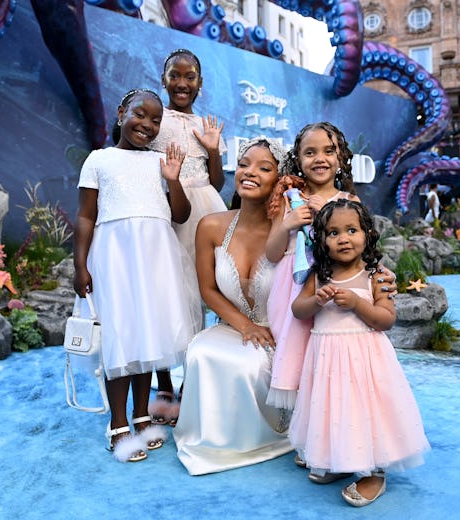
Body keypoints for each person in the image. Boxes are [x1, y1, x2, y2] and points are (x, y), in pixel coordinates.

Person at [73, 89, 198, 462]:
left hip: (155, 256)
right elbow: (85, 216)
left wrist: (173, 179)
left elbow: (180, 215)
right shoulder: (99, 159)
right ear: (121, 113)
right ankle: (118, 423)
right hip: (115, 256)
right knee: (120, 334)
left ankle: (143, 416)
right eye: (139, 115)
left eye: (155, 120)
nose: (147, 125)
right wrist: (80, 264)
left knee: (147, 336)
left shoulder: (160, 162)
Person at [290, 199, 430, 507]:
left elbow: (386, 319)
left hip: (365, 362)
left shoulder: (376, 274)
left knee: (366, 414)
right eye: (333, 232)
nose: (343, 238)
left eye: (351, 230)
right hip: (327, 360)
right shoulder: (319, 274)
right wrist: (317, 301)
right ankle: (339, 461)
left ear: (367, 233)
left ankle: (374, 473)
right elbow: (298, 310)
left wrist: (356, 304)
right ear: (322, 240)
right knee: (333, 412)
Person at [173, 137, 293, 475]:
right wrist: (245, 326)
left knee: (251, 365)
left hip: (282, 332)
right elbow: (208, 289)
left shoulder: (292, 230)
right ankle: (208, 440)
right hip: (232, 325)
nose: (249, 172)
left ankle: (263, 436)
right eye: (243, 164)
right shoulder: (211, 225)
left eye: (264, 167)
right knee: (200, 352)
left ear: (279, 179)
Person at [147, 49, 228, 425]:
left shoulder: (206, 125)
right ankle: (163, 378)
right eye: (175, 75)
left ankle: (194, 378)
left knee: (204, 290)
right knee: (165, 292)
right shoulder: (152, 122)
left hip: (205, 213)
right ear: (163, 79)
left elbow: (218, 181)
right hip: (164, 211)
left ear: (200, 83)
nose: (182, 83)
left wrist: (212, 151)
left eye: (190, 76)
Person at [264, 122, 360, 411]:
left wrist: (326, 218)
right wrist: (288, 223)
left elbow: (357, 250)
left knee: (328, 352)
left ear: (340, 158)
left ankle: (328, 418)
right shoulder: (287, 199)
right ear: (298, 160)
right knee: (297, 353)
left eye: (328, 151)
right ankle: (302, 427)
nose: (320, 158)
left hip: (333, 283)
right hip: (292, 287)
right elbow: (271, 252)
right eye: (310, 152)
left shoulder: (349, 202)